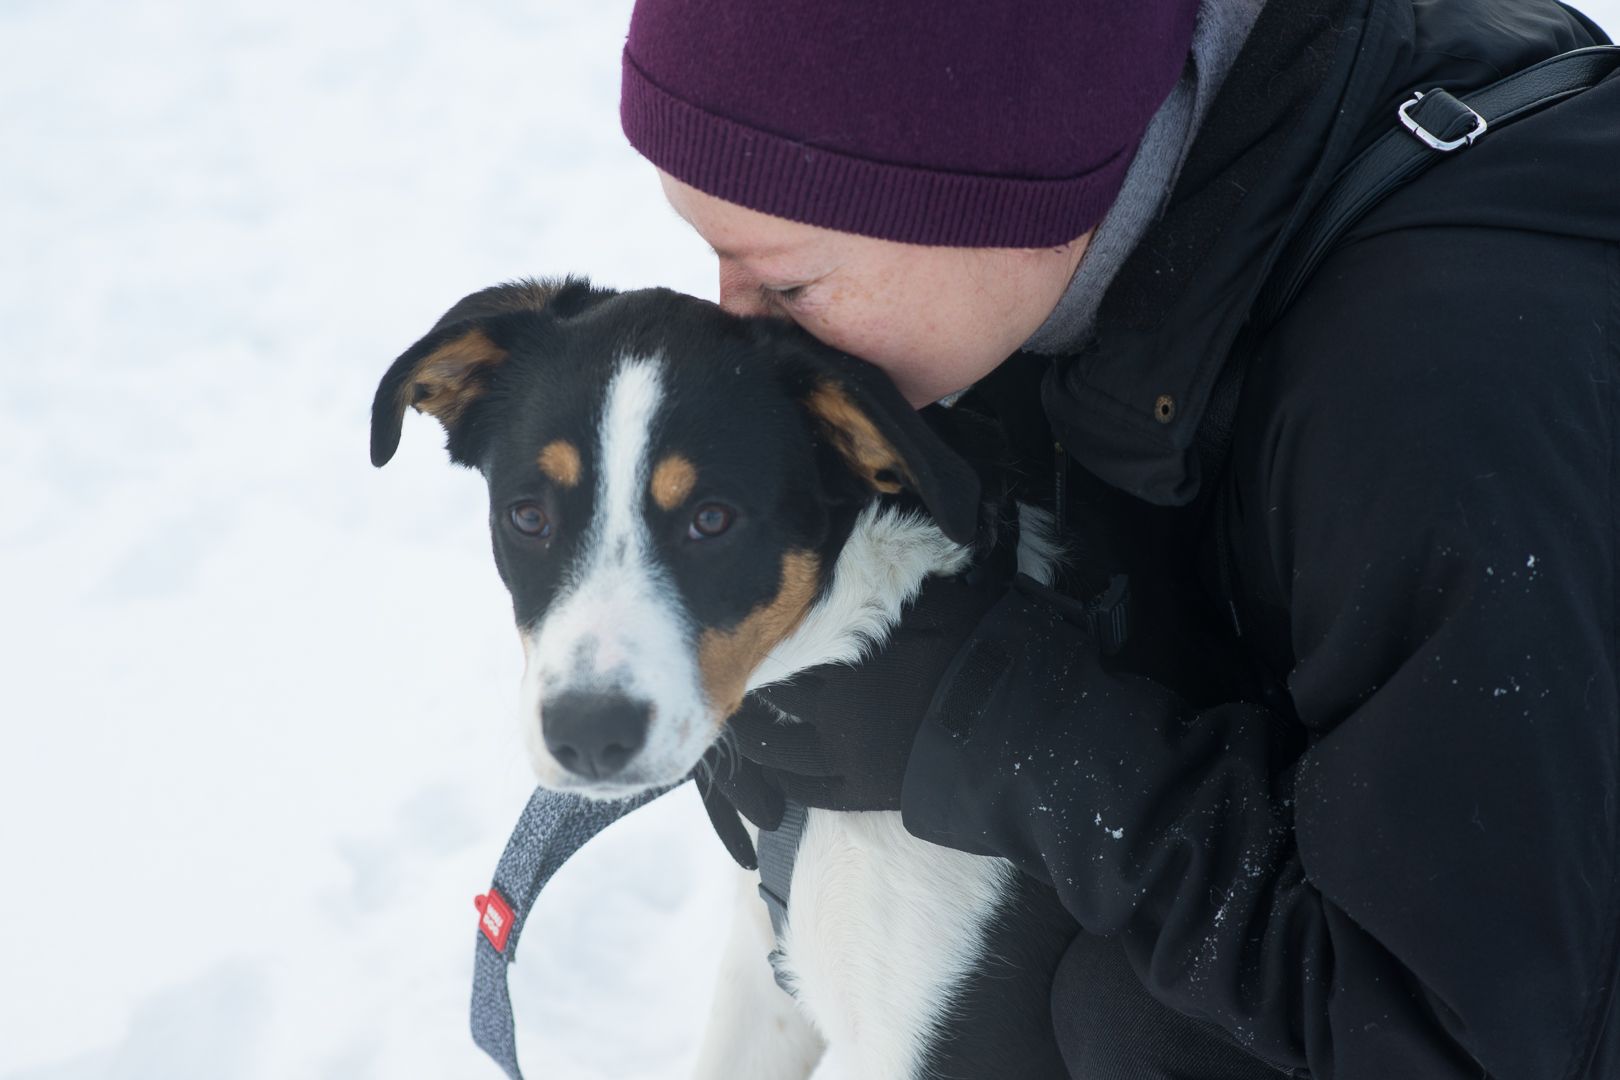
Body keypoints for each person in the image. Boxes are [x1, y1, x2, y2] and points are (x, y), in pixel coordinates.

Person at [618, 0, 1620, 1076]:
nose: (739, 335)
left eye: (788, 285)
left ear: (1007, 192)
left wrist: (1007, 727)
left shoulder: (1437, 403)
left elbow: (1463, 1037)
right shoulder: (1126, 191)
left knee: (1136, 1022)